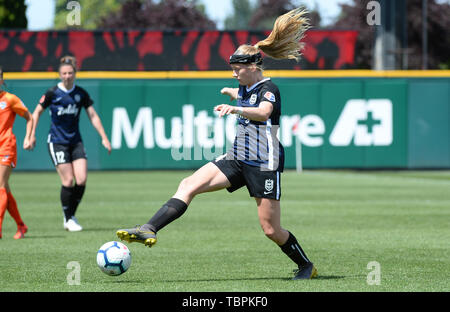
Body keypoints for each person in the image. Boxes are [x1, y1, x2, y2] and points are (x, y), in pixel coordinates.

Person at [117, 8, 317, 280]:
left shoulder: (269, 89)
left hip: (264, 162)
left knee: (271, 230)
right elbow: (244, 95)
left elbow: (263, 113)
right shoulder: (247, 86)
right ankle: (149, 228)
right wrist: (233, 93)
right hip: (237, 157)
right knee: (189, 184)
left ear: (253, 66)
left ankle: (306, 265)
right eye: (232, 70)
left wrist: (235, 109)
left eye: (237, 70)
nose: (235, 74)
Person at [31, 56, 112, 232]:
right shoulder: (52, 93)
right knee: (68, 180)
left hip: (75, 141)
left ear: (75, 73)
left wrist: (104, 138)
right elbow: (36, 112)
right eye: (64, 73)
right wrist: (30, 135)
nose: (67, 76)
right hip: (57, 142)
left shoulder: (80, 93)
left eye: (70, 73)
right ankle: (68, 218)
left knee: (81, 179)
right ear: (59, 75)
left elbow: (93, 115)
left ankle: (70, 216)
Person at [0, 66, 34, 239]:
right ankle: (21, 225)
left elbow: (29, 117)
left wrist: (28, 137)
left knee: (0, 186)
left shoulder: (9, 99)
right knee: (4, 188)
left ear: (2, 79)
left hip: (6, 146)